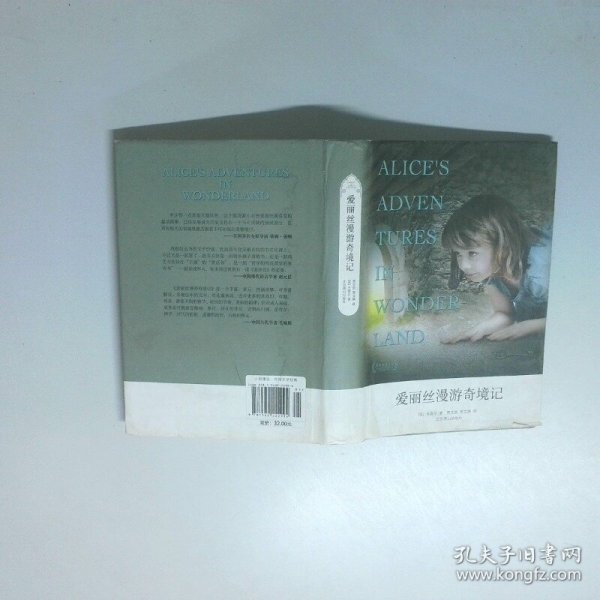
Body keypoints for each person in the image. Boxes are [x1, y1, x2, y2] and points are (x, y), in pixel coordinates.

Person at [441, 195, 551, 343]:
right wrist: (480, 329)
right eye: (458, 254)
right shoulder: (492, 272)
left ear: (502, 246)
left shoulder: (540, 273)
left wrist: (528, 327)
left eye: (472, 253)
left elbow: (572, 315)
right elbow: (505, 314)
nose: (463, 265)